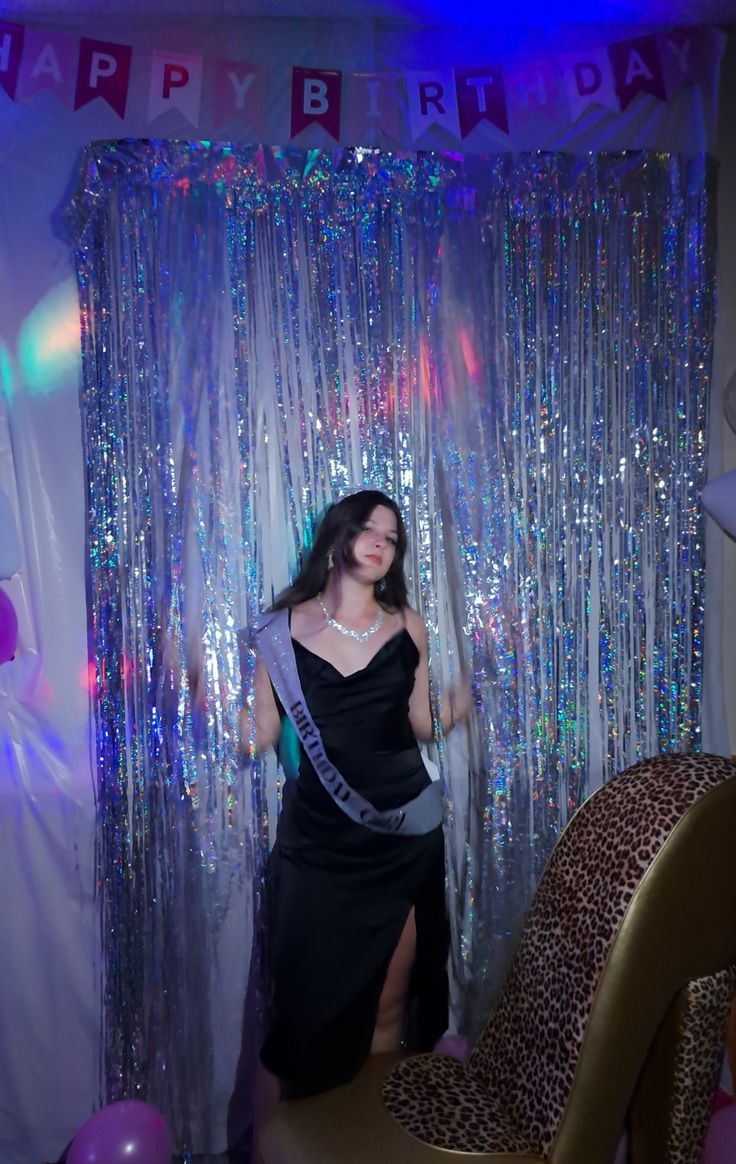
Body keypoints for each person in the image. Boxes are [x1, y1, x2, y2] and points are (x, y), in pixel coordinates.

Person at [249, 489, 470, 1108]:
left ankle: (365, 1138)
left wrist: (473, 694)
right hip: (317, 843)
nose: (380, 543)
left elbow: (423, 725)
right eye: (369, 530)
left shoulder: (408, 624)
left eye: (392, 538)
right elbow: (263, 733)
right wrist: (191, 692)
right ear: (338, 536)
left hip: (401, 841)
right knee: (298, 1019)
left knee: (389, 1006)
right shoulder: (280, 630)